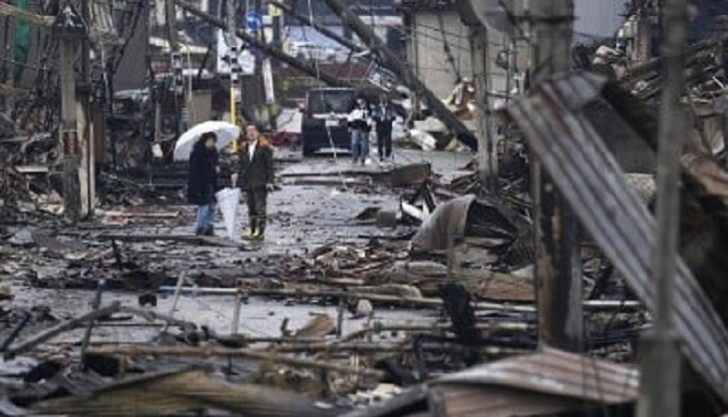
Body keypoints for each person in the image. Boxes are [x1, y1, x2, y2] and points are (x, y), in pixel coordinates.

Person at [231, 124, 275, 240]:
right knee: (251, 207)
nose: (250, 133)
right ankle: (252, 228)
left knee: (260, 207)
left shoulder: (264, 147)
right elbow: (240, 163)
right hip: (248, 181)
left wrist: (270, 181)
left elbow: (269, 165)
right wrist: (236, 172)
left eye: (253, 131)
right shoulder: (243, 148)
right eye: (248, 131)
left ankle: (260, 231)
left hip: (260, 181)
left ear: (257, 133)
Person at [187, 132, 219, 236]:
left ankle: (209, 226)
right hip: (201, 183)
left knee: (212, 206)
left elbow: (215, 164)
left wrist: (216, 168)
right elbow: (194, 171)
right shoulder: (197, 153)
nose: (211, 143)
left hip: (211, 182)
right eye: (210, 141)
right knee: (204, 206)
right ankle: (201, 227)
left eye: (213, 141)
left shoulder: (213, 152)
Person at [347, 96, 372, 165]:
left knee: (364, 144)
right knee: (354, 142)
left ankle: (362, 158)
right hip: (355, 127)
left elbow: (369, 119)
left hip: (364, 128)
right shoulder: (354, 109)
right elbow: (350, 117)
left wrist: (369, 126)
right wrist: (349, 126)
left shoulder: (367, 110)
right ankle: (354, 157)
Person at [372, 98, 395, 164]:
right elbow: (373, 116)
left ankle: (388, 154)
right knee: (380, 142)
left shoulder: (390, 108)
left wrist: (390, 118)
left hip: (388, 126)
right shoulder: (376, 108)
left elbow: (394, 115)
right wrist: (379, 118)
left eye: (385, 103)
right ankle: (381, 156)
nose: (384, 104)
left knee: (388, 141)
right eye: (382, 103)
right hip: (380, 127)